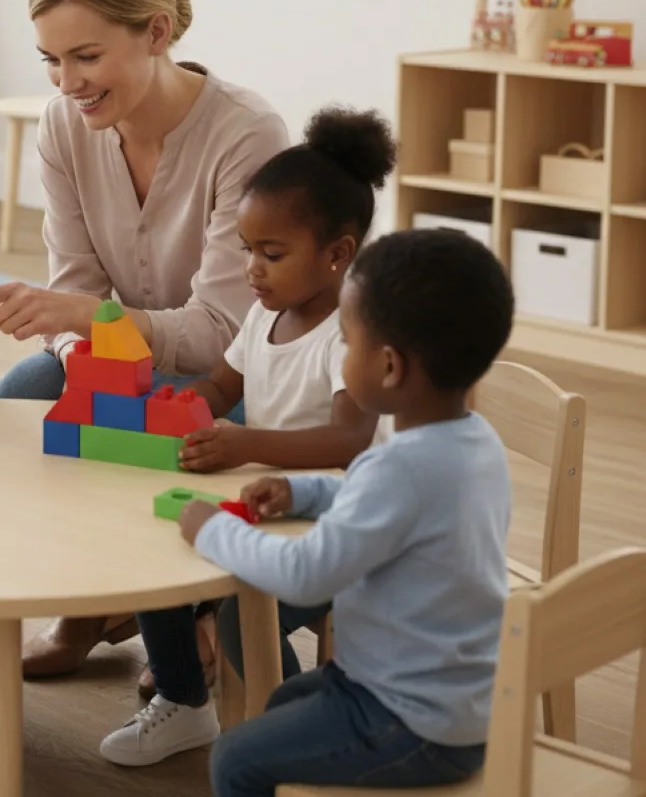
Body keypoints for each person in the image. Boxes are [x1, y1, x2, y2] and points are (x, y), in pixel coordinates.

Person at [0, 0, 290, 681]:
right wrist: (87, 357)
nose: (66, 82)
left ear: (157, 32)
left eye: (86, 56)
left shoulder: (247, 135)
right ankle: (91, 597)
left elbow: (221, 334)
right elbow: (74, 281)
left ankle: (188, 612)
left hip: (236, 384)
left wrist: (88, 324)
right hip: (130, 361)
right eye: (50, 59)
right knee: (23, 407)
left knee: (167, 441)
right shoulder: (62, 127)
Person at [98, 104, 392, 766]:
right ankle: (184, 702)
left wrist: (246, 443)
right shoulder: (265, 317)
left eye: (272, 253)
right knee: (154, 566)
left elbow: (351, 437)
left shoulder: (351, 333)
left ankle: (283, 732)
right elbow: (220, 390)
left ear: (338, 254)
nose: (252, 269)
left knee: (239, 611)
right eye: (247, 250)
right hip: (263, 505)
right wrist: (183, 406)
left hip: (337, 527)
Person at [182, 228, 514, 796]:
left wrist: (213, 531)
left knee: (236, 758)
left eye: (347, 342)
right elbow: (391, 509)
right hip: (461, 699)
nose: (343, 354)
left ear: (387, 367)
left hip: (407, 720)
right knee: (284, 700)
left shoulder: (400, 470)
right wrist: (305, 495)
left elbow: (303, 572)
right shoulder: (474, 441)